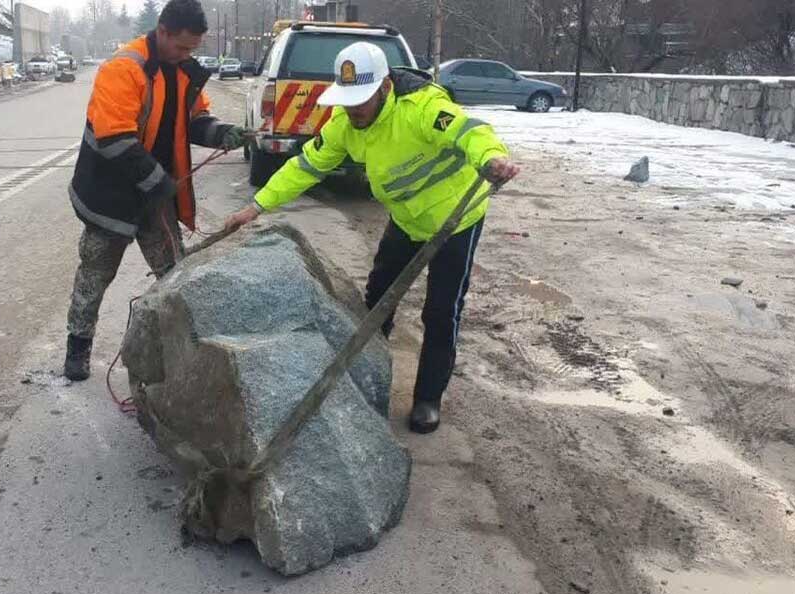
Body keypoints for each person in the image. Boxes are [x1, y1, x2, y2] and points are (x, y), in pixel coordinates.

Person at [223, 43, 520, 434]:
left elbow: (471, 133)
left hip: (455, 221)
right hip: (406, 220)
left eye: (361, 99)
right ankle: (367, 375)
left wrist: (491, 159)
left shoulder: (422, 109)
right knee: (378, 299)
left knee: (441, 311)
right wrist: (256, 207)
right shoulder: (344, 125)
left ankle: (428, 398)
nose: (354, 109)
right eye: (348, 100)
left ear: (383, 87)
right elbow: (304, 167)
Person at [64, 0, 250, 381]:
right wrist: (159, 183)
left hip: (154, 194)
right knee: (95, 274)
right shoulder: (123, 68)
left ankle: (184, 350)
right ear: (162, 31)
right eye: (182, 47)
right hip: (111, 195)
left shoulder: (183, 71)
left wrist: (221, 133)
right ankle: (77, 349)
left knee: (175, 273)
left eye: (193, 49)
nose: (187, 55)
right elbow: (114, 140)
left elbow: (194, 119)